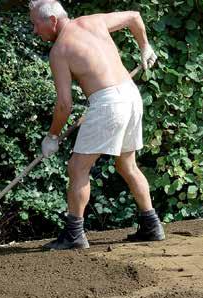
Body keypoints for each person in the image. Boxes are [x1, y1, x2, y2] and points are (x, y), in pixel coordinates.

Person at [29, 0, 166, 250]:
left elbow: (64, 105)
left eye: (35, 25)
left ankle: (74, 234)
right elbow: (135, 16)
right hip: (131, 95)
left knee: (77, 168)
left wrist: (52, 136)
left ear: (52, 21)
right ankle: (151, 224)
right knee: (127, 164)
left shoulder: (59, 51)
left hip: (109, 103)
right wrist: (145, 46)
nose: (35, 31)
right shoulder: (94, 21)